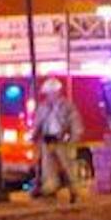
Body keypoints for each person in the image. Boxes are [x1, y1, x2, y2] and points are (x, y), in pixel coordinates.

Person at [30, 77, 84, 205]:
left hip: (61, 141)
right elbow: (38, 123)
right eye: (48, 93)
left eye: (51, 92)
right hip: (47, 141)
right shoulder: (43, 107)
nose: (49, 95)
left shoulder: (67, 106)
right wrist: (34, 136)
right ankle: (50, 190)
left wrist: (73, 138)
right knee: (48, 168)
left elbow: (75, 122)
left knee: (67, 167)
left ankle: (74, 191)